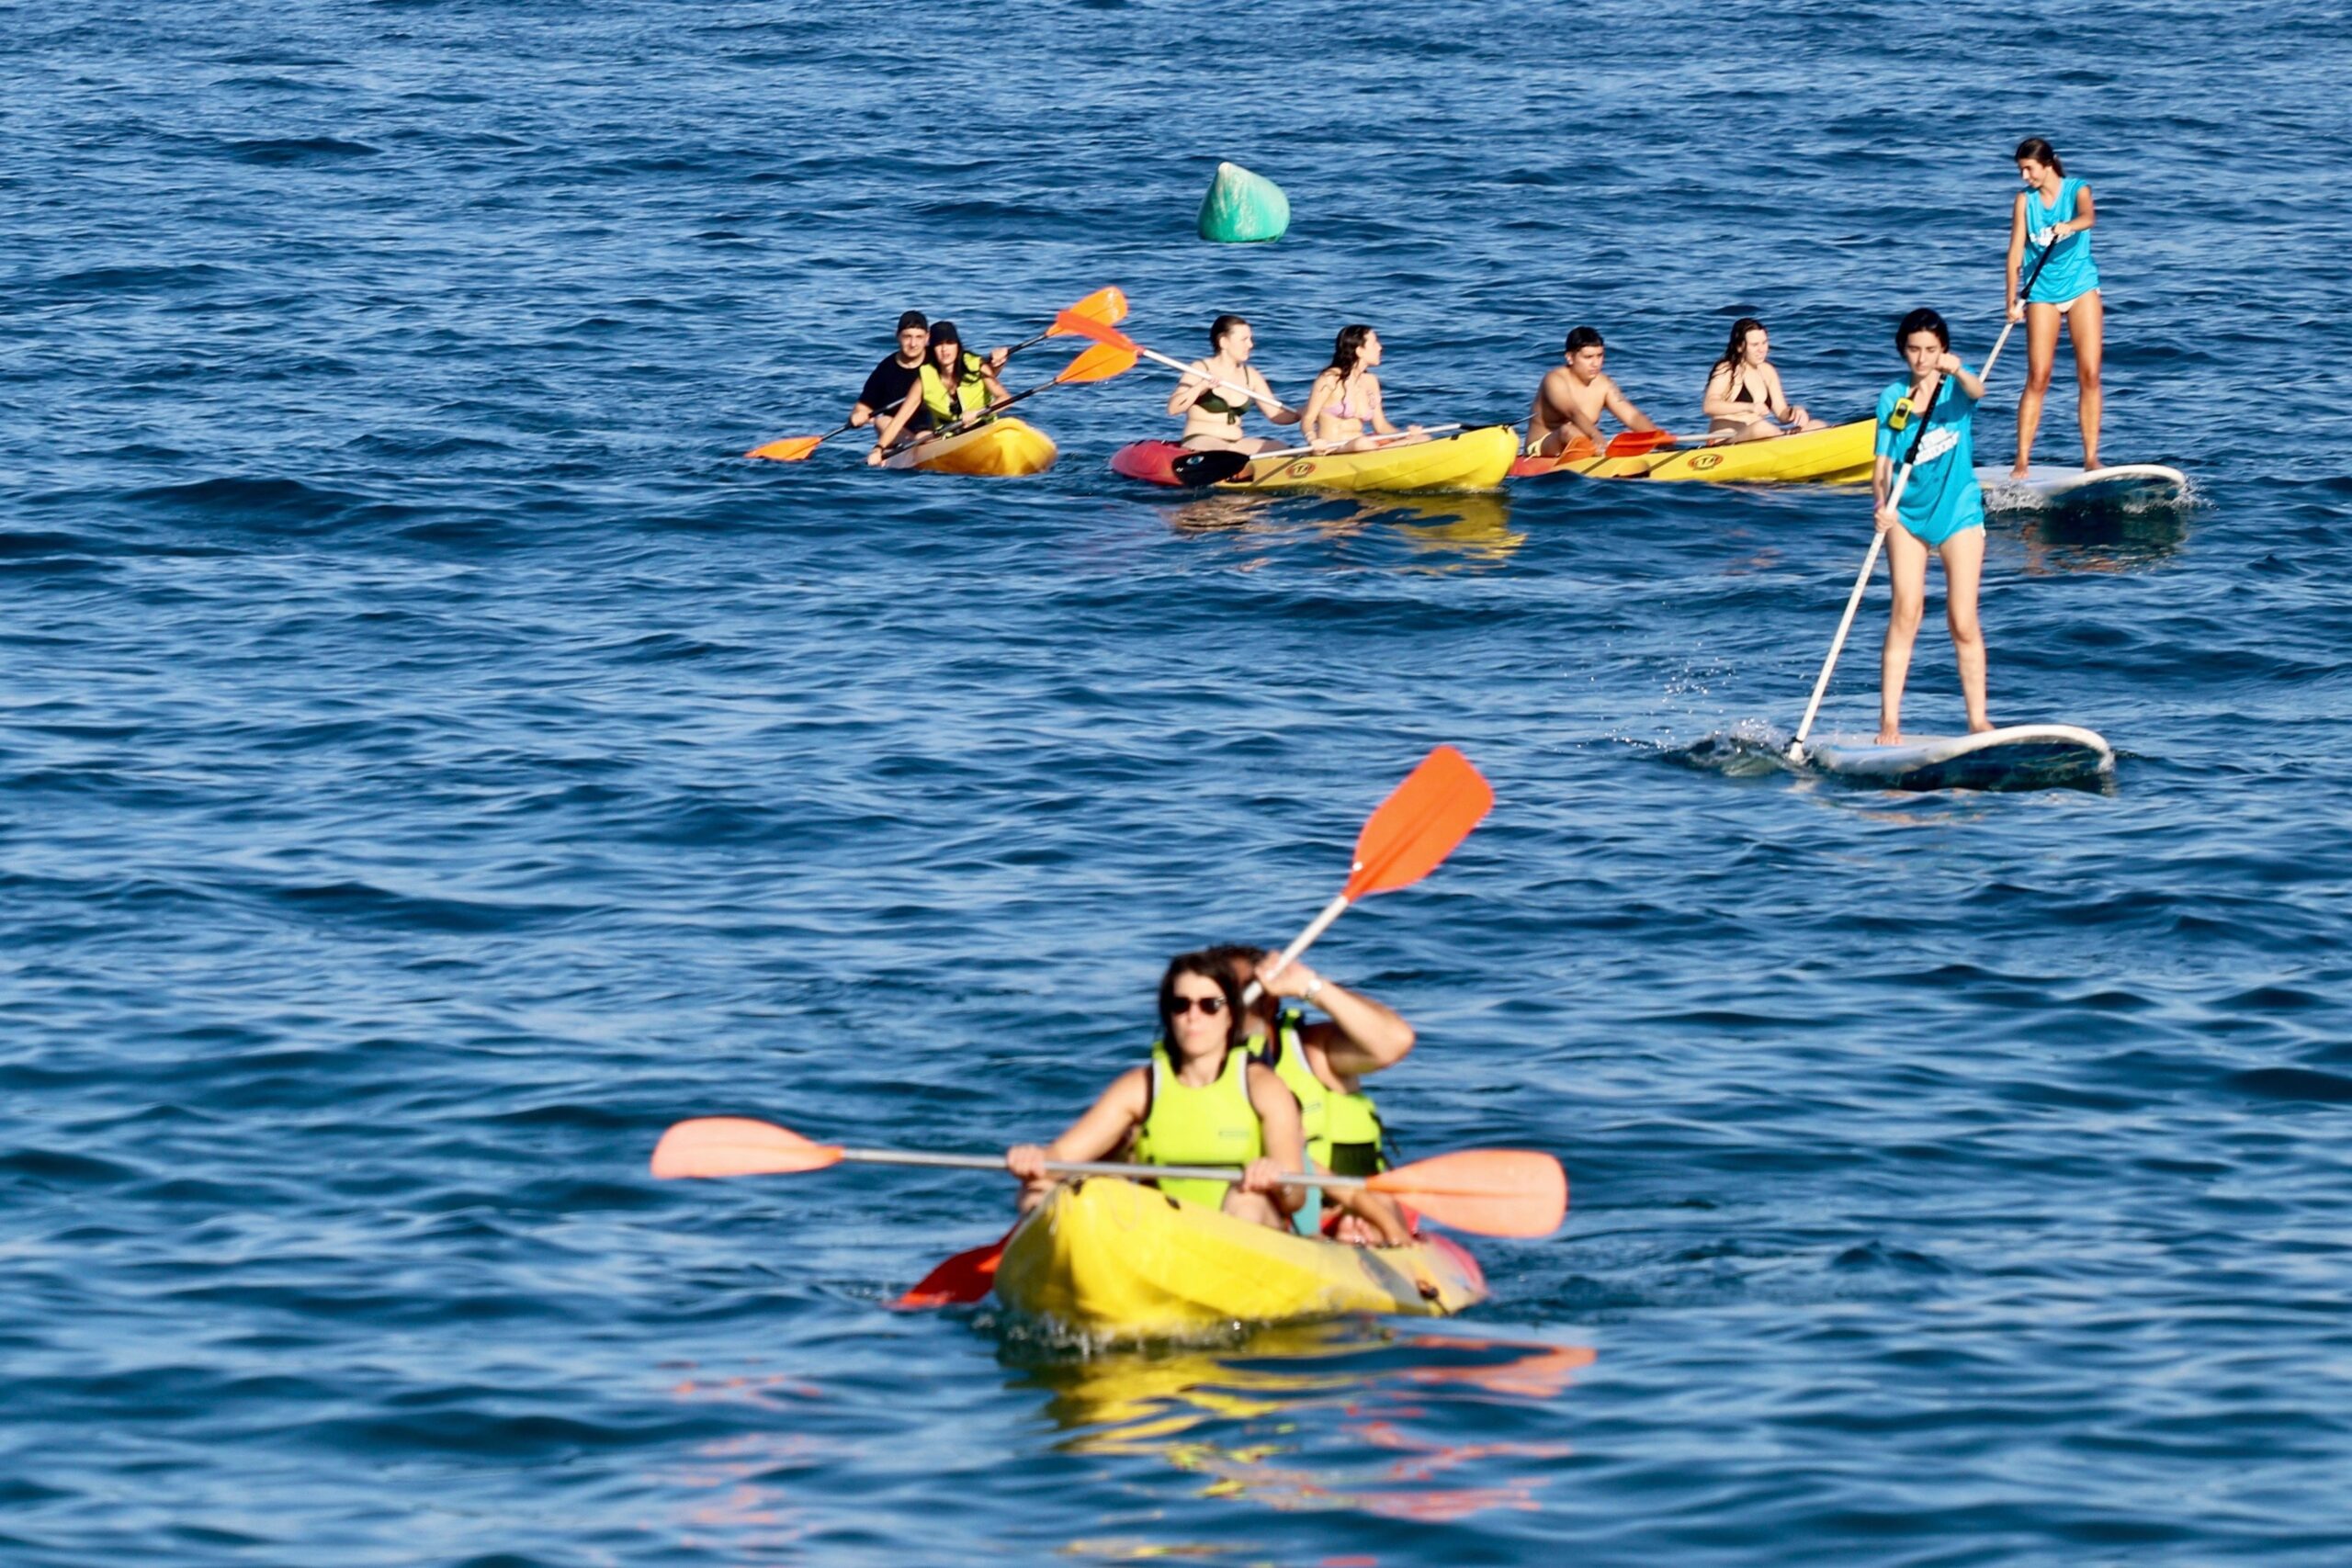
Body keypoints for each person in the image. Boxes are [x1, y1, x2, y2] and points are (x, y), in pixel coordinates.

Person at [1005, 952, 1306, 1230]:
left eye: (1209, 1005)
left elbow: (1296, 1197)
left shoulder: (1262, 1086)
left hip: (1251, 1228)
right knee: (1037, 1191)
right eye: (1181, 1004)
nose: (1193, 1016)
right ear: (1169, 1015)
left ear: (1230, 1016)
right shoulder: (1140, 1087)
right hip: (1166, 1236)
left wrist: (1277, 1180)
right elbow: (1061, 1157)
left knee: (1247, 1200)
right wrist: (1034, 1159)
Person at [1208, 944, 1414, 1247]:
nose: (1225, 1008)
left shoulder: (1313, 1051)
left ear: (1268, 1002)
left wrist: (1308, 986)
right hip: (1261, 1211)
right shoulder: (1191, 1071)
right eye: (1213, 999)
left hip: (1347, 1209)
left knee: (1372, 1210)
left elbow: (1395, 1041)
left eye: (1238, 992)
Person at [1873, 308, 1991, 744]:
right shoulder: (1893, 397)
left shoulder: (1955, 390)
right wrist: (1881, 505)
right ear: (1903, 350)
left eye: (1930, 350)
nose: (1921, 359)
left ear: (1942, 350)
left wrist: (1957, 368)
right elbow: (1882, 464)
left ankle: (1978, 720)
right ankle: (1889, 722)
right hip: (1907, 515)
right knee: (1906, 612)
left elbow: (1978, 390)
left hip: (1959, 511)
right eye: (1913, 349)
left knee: (1961, 618)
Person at [2007, 137, 2102, 476]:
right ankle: (2022, 460)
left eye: (2028, 169)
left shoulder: (2078, 189)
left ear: (2047, 165)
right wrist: (2011, 301)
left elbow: (2089, 217)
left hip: (2080, 288)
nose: (2024, 177)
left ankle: (2090, 457)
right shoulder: (2024, 201)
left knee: (2089, 374)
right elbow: (2015, 251)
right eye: (2021, 170)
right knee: (2038, 377)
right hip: (2041, 294)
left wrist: (2069, 225)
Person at [868, 321, 1011, 464]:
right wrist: (878, 449)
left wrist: (980, 412)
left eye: (950, 343)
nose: (944, 349)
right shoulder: (924, 379)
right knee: (921, 437)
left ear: (957, 346)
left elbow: (1004, 398)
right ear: (932, 349)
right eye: (939, 344)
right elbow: (900, 419)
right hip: (948, 437)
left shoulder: (976, 366)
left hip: (983, 427)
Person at [1169, 315, 1300, 455]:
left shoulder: (1251, 375)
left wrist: (1304, 413)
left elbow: (1276, 414)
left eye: (1250, 339)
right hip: (1199, 441)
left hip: (1236, 444)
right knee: (1229, 453)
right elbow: (1173, 408)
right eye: (1244, 340)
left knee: (1279, 448)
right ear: (1224, 342)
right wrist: (1201, 387)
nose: (1250, 345)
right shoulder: (1200, 369)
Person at [1525, 327, 1660, 457]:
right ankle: (1600, 456)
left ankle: (1598, 455)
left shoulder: (1604, 384)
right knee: (1567, 431)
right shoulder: (1554, 380)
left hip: (1585, 444)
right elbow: (1573, 413)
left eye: (1599, 356)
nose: (1596, 364)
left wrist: (1659, 440)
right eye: (1588, 357)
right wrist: (1597, 437)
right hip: (1541, 447)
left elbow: (1632, 417)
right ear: (1570, 358)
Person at [1296, 325, 1424, 452]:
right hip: (1333, 450)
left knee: (1421, 439)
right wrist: (1312, 439)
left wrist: (1404, 434)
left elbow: (1380, 426)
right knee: (1363, 443)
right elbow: (1308, 419)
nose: (1380, 348)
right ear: (1359, 351)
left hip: (1363, 447)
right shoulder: (1329, 379)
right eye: (1374, 343)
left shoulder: (1371, 381)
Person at [1702, 318, 1827, 442]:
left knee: (1818, 425)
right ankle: (1789, 441)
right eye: (1755, 345)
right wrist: (1749, 406)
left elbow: (1781, 413)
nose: (1762, 350)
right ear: (1740, 347)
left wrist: (1794, 411)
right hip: (1726, 442)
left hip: (1762, 439)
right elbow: (1709, 406)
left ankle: (1789, 442)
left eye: (1764, 343)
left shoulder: (1768, 371)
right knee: (1761, 427)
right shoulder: (1727, 369)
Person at [848, 311, 932, 434]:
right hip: (901, 436)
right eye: (907, 337)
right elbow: (862, 408)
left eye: (919, 337)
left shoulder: (937, 360)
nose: (913, 344)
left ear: (927, 338)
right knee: (881, 421)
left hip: (936, 428)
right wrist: (857, 416)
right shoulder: (885, 371)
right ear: (897, 335)